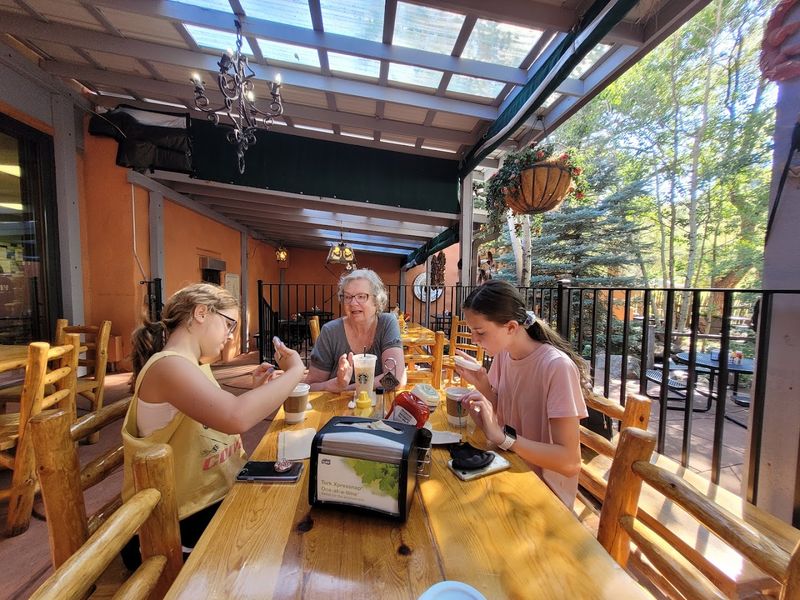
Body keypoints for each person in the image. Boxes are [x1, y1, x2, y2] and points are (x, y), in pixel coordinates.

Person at [120, 282, 305, 568]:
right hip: (172, 527)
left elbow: (213, 420)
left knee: (298, 501)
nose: (230, 337)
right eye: (229, 325)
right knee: (289, 544)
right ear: (202, 313)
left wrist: (252, 391)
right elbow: (235, 418)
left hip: (207, 502)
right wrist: (295, 371)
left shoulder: (192, 364)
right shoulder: (168, 366)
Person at [454, 280, 590, 507]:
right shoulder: (504, 355)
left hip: (543, 496)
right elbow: (508, 417)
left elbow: (569, 461)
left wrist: (504, 439)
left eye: (480, 332)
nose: (474, 340)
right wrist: (484, 387)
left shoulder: (556, 367)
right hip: (508, 469)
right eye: (472, 332)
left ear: (511, 327)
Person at [306, 268, 406, 392]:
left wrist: (347, 389)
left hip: (378, 407)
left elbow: (395, 380)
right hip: (336, 409)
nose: (353, 303)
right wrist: (334, 385)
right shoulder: (330, 332)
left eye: (361, 296)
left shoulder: (386, 323)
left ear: (376, 300)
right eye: (347, 297)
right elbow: (310, 387)